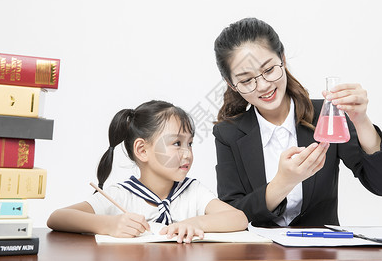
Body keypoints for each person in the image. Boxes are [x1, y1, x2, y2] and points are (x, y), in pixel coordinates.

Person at [212, 17, 382, 227]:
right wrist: (282, 183)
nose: (263, 85)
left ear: (282, 58)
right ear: (232, 84)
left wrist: (362, 121)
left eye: (269, 70)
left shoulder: (326, 116)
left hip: (321, 255)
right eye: (246, 80)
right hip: (258, 255)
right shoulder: (228, 133)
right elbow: (230, 215)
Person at [47, 100, 248, 243]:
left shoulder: (193, 191)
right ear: (142, 150)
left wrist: (194, 223)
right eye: (177, 143)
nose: (187, 154)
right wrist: (109, 225)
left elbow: (238, 218)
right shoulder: (121, 194)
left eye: (190, 144)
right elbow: (57, 217)